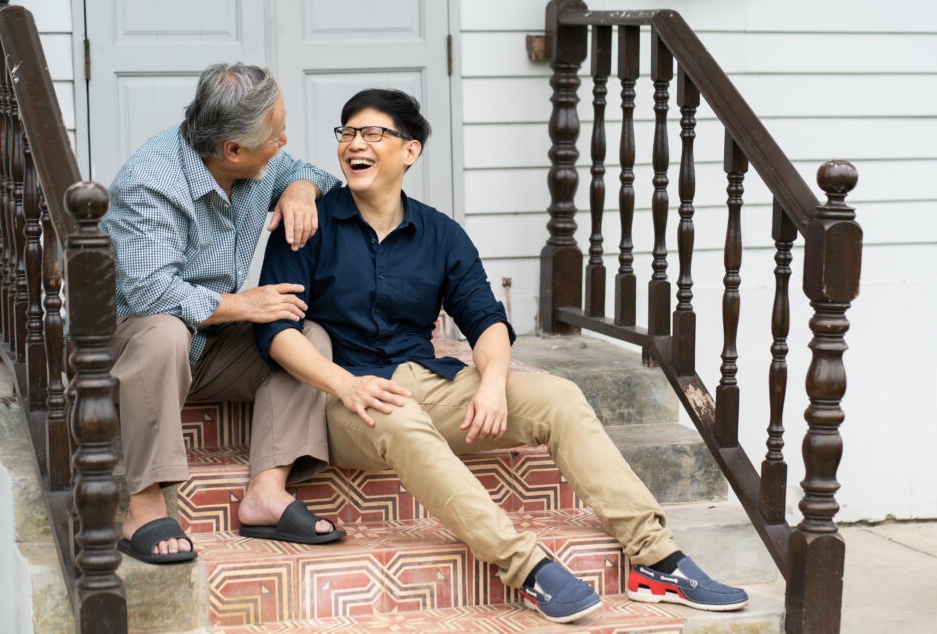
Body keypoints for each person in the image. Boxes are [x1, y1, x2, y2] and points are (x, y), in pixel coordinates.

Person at [252, 89, 749, 623]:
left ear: (410, 151)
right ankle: (529, 568)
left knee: (558, 397)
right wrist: (345, 385)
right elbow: (277, 330)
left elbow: (486, 318)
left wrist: (491, 383)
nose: (356, 144)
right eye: (347, 133)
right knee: (402, 420)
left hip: (428, 380)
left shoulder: (441, 234)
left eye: (373, 133)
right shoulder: (310, 223)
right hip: (345, 396)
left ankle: (658, 559)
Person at [101, 63, 346, 565]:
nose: (284, 139)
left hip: (208, 345)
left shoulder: (255, 163)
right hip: (133, 341)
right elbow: (147, 293)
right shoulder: (152, 181)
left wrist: (302, 189)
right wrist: (242, 304)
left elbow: (304, 170)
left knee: (305, 337)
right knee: (166, 333)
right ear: (233, 149)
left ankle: (266, 491)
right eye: (276, 134)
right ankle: (145, 505)